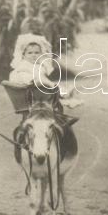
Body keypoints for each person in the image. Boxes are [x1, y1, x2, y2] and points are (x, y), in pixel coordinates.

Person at [9, 33, 79, 162]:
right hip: (33, 101)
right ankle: (64, 100)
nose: (34, 55)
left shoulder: (38, 68)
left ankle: (64, 100)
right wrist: (52, 85)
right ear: (23, 55)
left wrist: (52, 86)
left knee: (55, 91)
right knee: (52, 89)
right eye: (30, 53)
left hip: (42, 98)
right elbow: (37, 81)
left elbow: (42, 80)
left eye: (37, 52)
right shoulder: (23, 68)